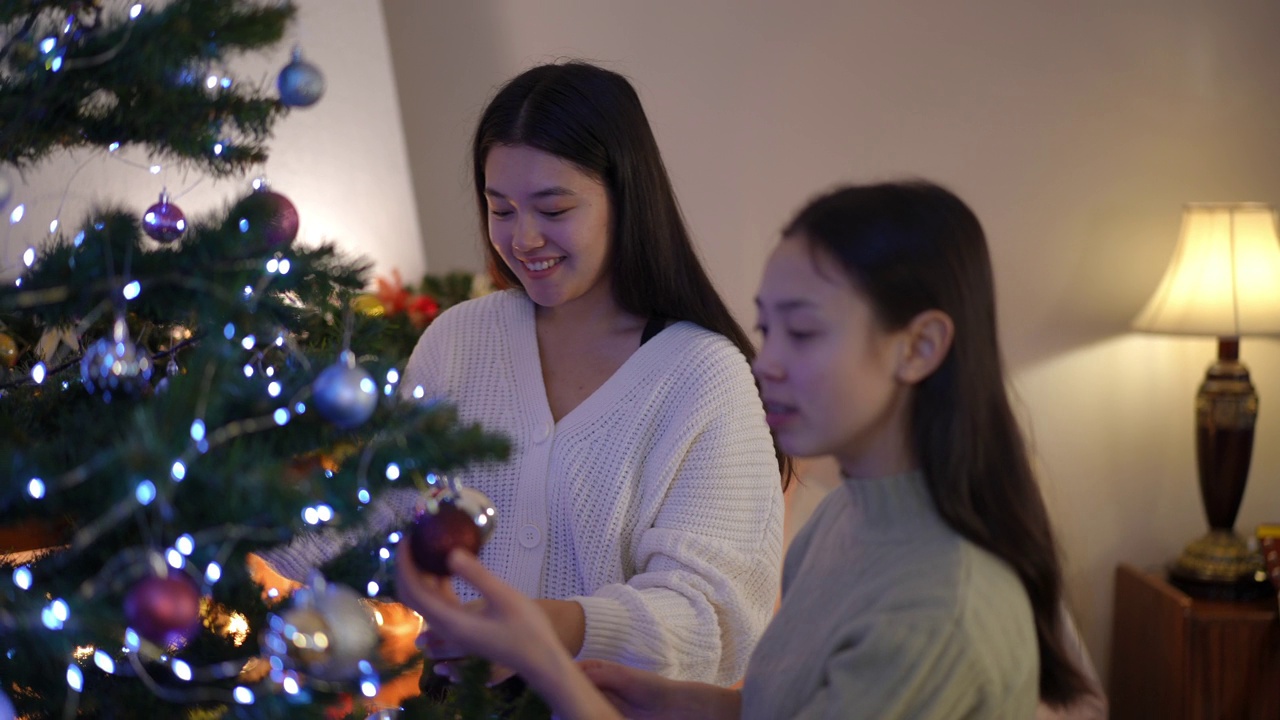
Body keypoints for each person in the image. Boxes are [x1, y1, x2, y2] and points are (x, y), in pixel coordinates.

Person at [395, 180, 1095, 718]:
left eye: (805, 332)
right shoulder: (845, 518)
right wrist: (689, 705)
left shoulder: (936, 606)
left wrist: (547, 662)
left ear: (920, 346)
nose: (767, 365)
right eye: (766, 330)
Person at [262, 60, 786, 687]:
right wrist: (219, 504)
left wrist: (551, 627)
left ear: (625, 198)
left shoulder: (702, 375)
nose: (524, 238)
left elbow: (717, 620)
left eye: (554, 207)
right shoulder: (458, 340)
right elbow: (383, 523)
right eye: (500, 209)